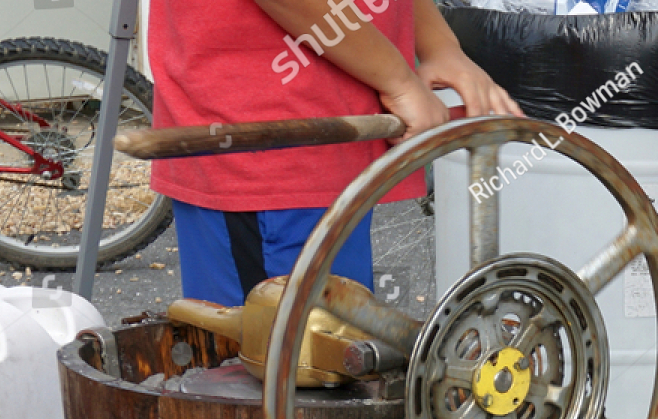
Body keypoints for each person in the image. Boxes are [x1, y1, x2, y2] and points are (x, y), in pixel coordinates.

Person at [148, 0, 522, 308]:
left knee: (332, 366)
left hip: (332, 136)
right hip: (263, 144)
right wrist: (400, 81)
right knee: (270, 373)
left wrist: (439, 47)